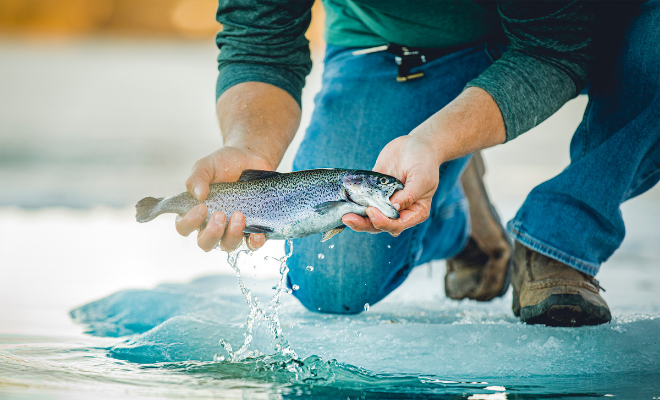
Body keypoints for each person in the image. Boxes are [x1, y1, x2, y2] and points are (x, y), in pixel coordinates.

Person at [174, 1, 659, 327]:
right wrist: (250, 147)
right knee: (332, 282)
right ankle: (457, 211)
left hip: (600, 27)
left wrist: (435, 138)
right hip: (397, 49)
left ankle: (561, 238)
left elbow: (555, 44)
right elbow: (260, 42)